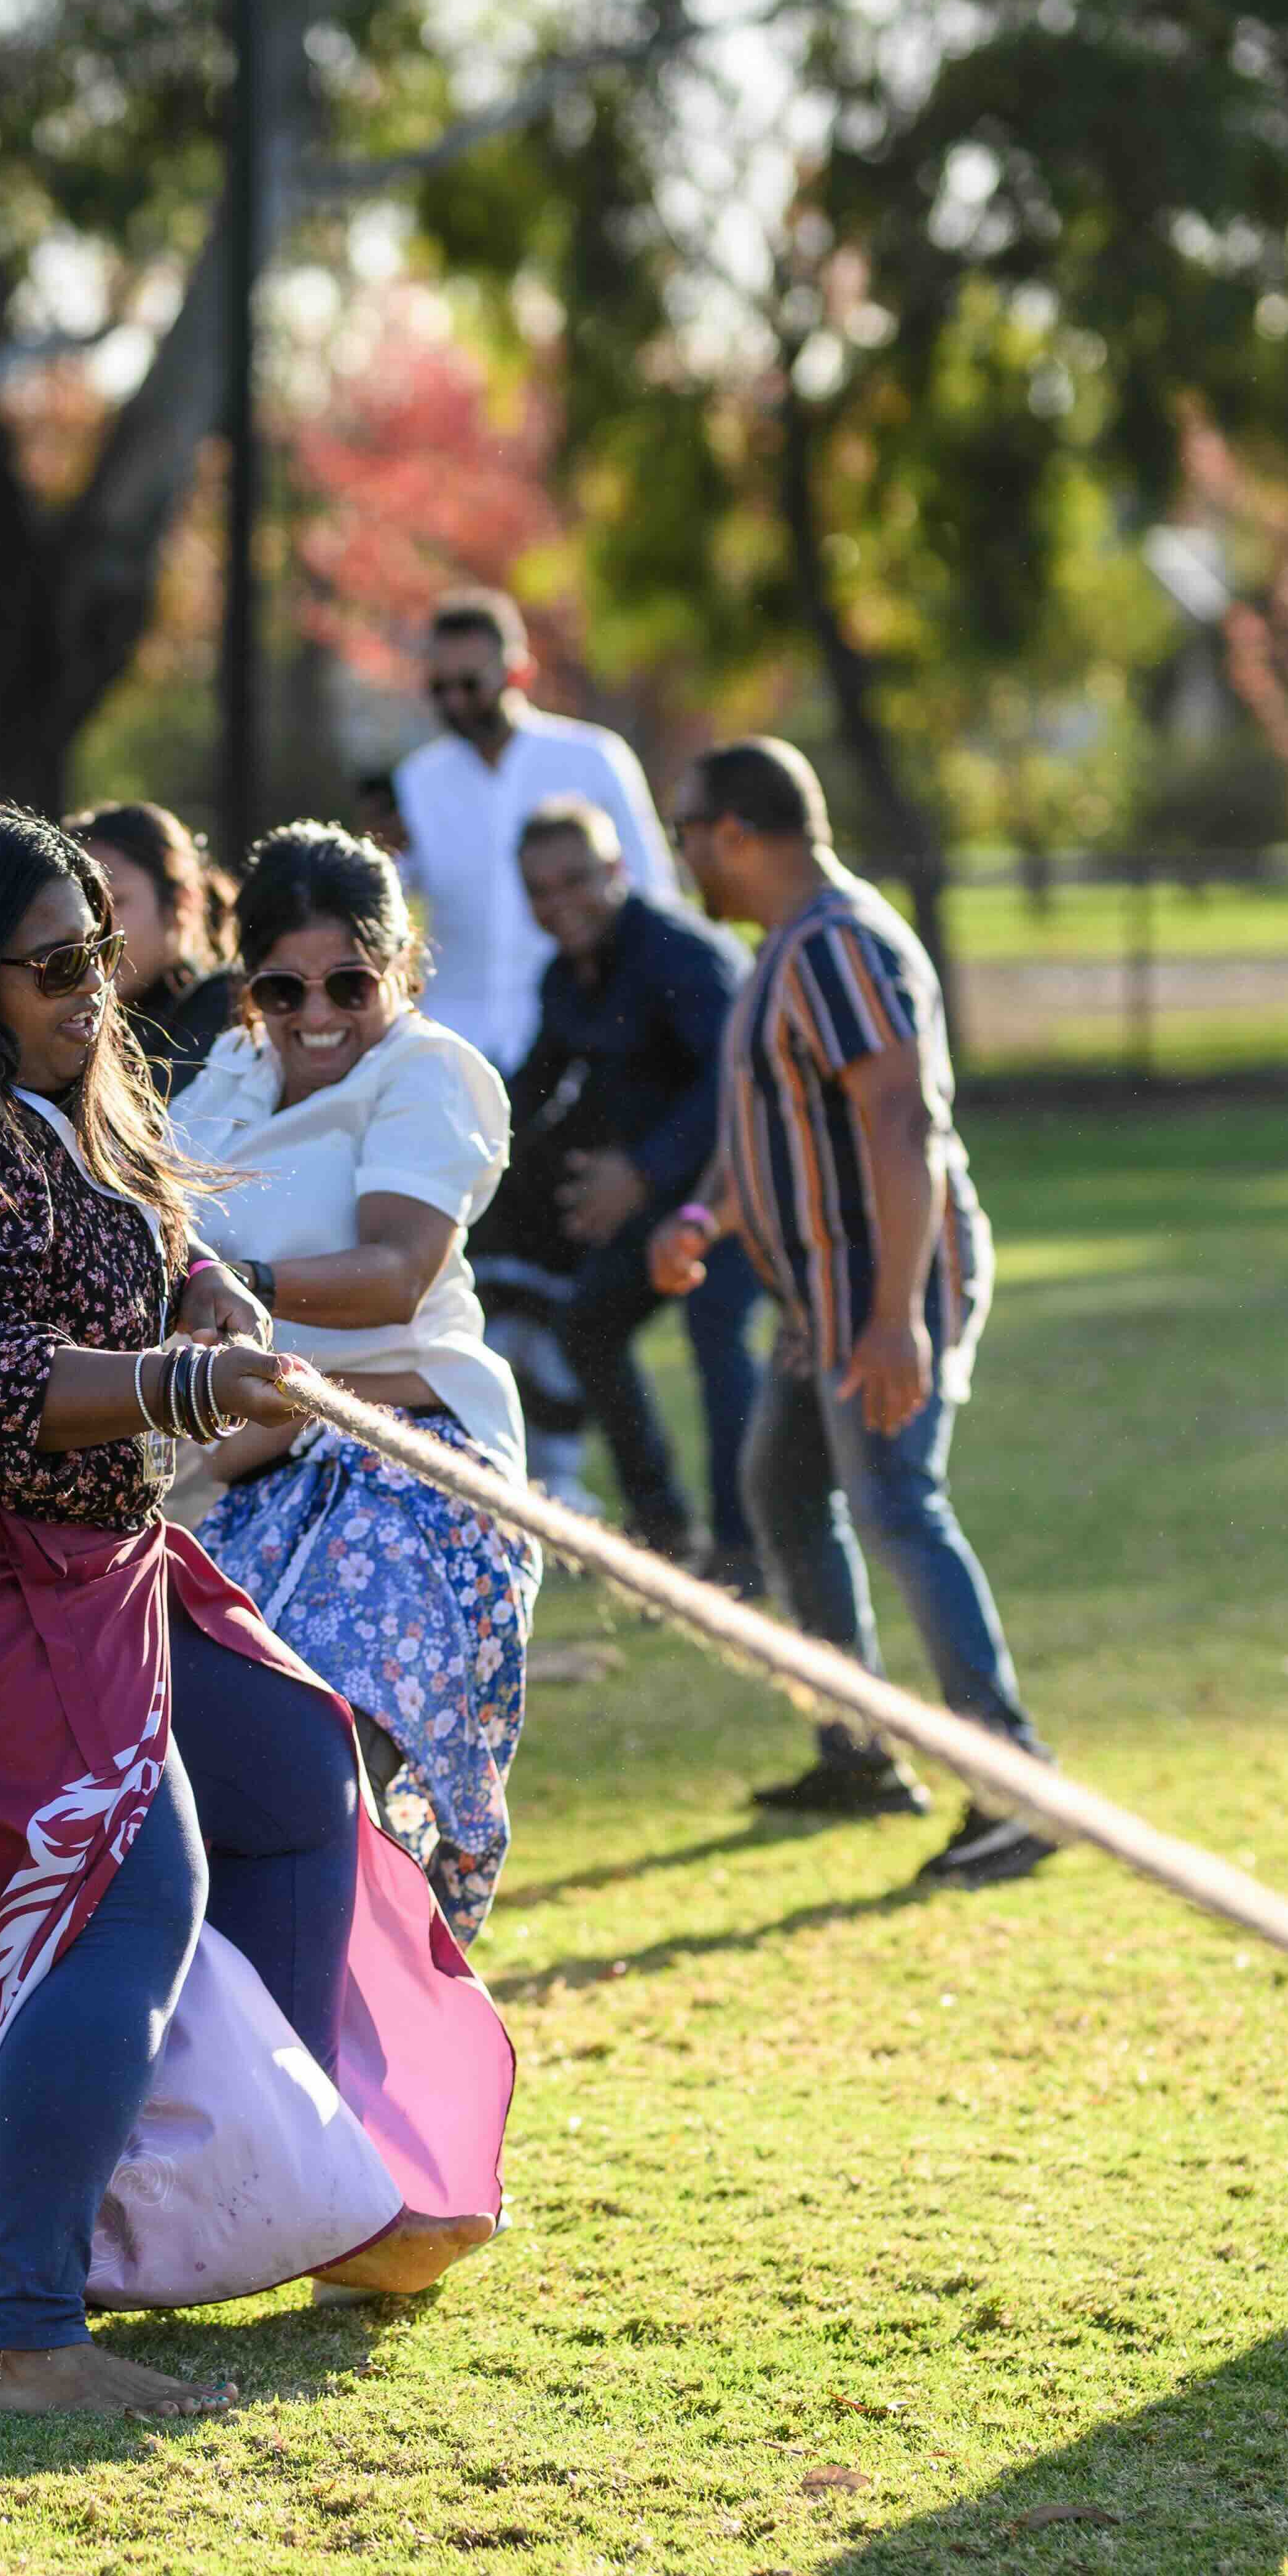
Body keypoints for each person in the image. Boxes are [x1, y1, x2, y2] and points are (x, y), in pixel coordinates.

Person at [0, 801, 516, 2419]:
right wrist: (188, 1370)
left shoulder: (56, 1101)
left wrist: (200, 1289)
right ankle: (22, 2327)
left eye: (95, 951)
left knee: (295, 1777)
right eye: (45, 966)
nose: (89, 987)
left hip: (70, 1543)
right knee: (127, 1886)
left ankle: (292, 2180)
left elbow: (130, 1251)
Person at [648, 738, 1054, 1888]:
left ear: (733, 832)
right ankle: (858, 1749)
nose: (679, 853)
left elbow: (898, 1126)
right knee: (784, 1489)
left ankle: (1012, 1785)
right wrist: (704, 1215)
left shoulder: (835, 945)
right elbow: (779, 1124)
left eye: (685, 829)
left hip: (878, 1289)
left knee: (893, 1505)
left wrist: (892, 1319)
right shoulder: (788, 947)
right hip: (820, 1295)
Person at [173, 825, 540, 1944]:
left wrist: (236, 1280)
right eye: (280, 987)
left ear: (402, 968)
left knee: (333, 1751)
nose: (314, 1012)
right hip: (242, 1467)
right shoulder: (230, 1075)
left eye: (348, 981)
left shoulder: (427, 1073)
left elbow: (395, 1273)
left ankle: (353, 2020)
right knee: (198, 1754)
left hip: (406, 1458)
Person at [481, 795, 762, 1581]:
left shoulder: (679, 954)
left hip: (737, 1186)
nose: (560, 902)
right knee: (588, 1326)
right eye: (540, 890)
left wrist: (639, 1172)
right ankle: (663, 1526)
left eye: (576, 879)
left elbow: (735, 1082)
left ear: (617, 869)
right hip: (656, 1198)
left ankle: (746, 1550)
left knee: (718, 1340)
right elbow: (534, 1088)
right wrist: (464, 1140)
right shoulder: (565, 978)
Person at [393, 588, 680, 1078]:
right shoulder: (417, 780)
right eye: (439, 688)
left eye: (470, 683)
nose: (456, 701)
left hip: (579, 1039)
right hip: (453, 1045)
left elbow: (653, 895)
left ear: (518, 673)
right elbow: (390, 895)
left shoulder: (592, 758)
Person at [66, 802, 239, 1095]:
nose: (93, 926)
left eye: (114, 901)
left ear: (183, 902)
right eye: (77, 903)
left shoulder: (223, 1009)